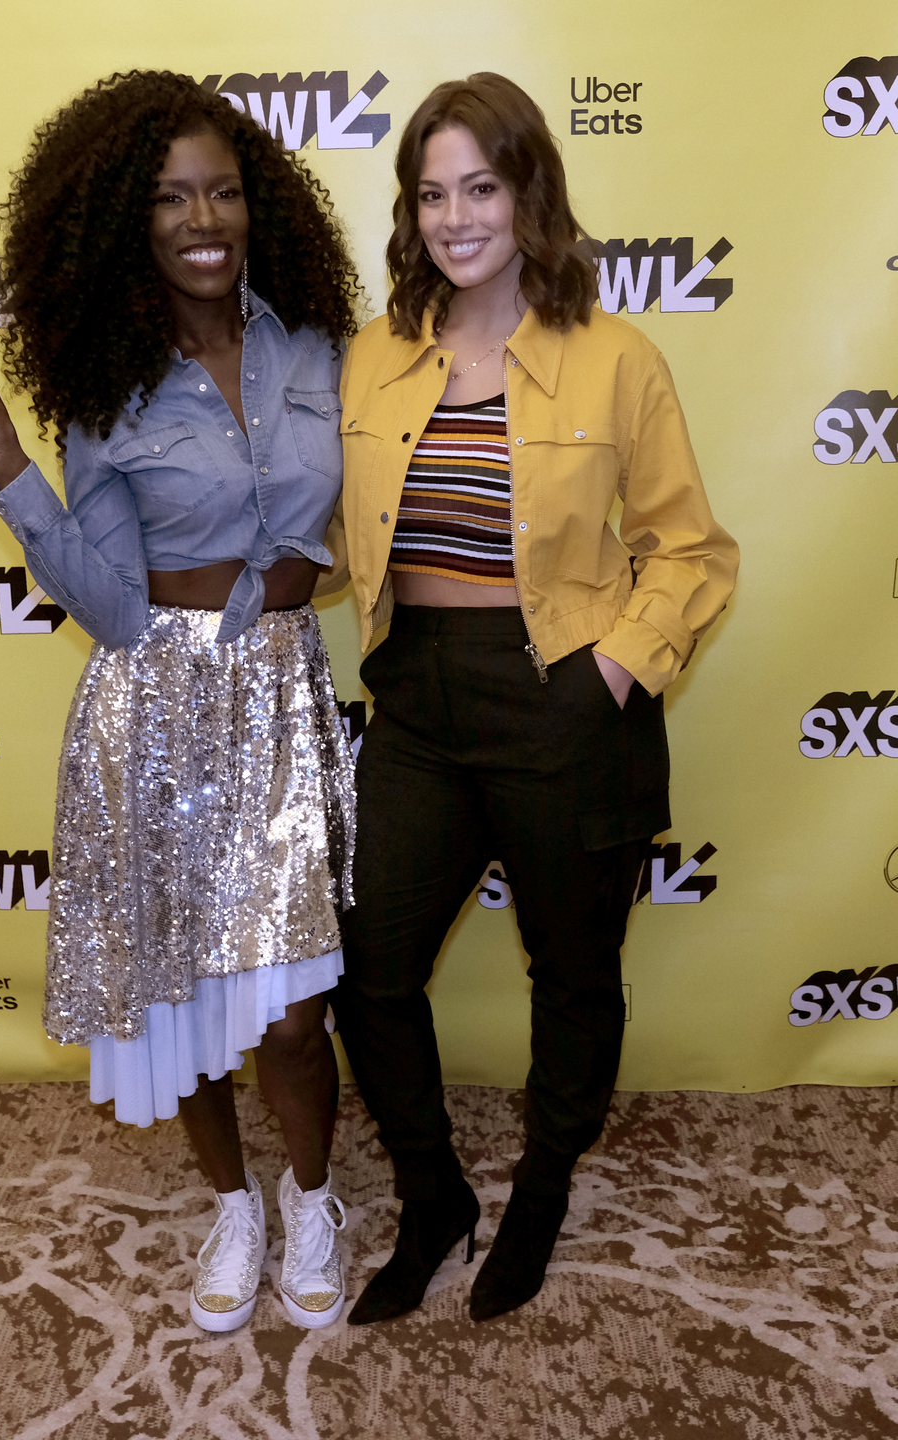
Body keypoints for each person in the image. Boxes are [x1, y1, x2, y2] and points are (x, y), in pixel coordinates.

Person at [0, 70, 361, 1334]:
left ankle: (312, 1197)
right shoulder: (105, 388)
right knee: (182, 994)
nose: (202, 217)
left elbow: (347, 515)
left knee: (291, 1007)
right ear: (132, 219)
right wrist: (12, 474)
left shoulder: (316, 345)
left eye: (221, 189)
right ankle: (232, 1203)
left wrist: (307, 565)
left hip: (277, 694)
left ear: (255, 205)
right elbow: (109, 609)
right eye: (171, 198)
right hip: (154, 707)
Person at [330, 72, 739, 1325]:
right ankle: (435, 1193)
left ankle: (546, 1189)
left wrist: (612, 672)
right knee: (367, 968)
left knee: (574, 972)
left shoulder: (618, 359)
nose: (457, 216)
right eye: (432, 192)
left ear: (529, 195)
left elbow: (691, 550)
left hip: (565, 693)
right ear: (411, 211)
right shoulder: (375, 351)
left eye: (482, 187)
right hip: (418, 706)